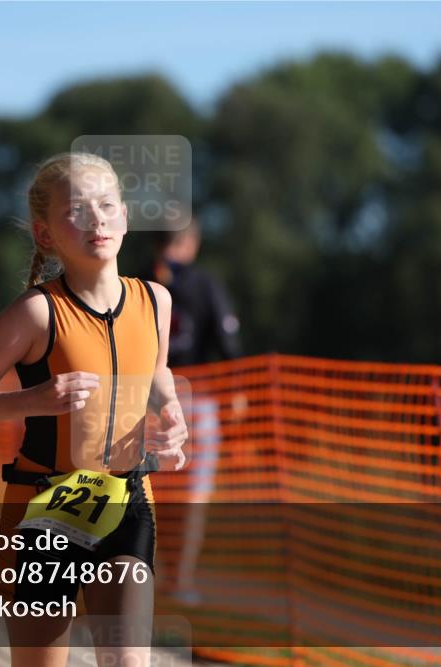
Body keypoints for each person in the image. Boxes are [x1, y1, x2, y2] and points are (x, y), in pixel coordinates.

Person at [0, 152, 188, 667]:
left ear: (124, 215)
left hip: (127, 500)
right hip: (46, 508)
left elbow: (156, 370)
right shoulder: (36, 312)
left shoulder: (156, 301)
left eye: (106, 205)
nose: (96, 219)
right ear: (46, 233)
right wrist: (33, 399)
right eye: (77, 209)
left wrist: (172, 415)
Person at [144, 216, 244, 604]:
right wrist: (238, 391)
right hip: (196, 399)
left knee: (147, 491)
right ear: (191, 242)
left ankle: (147, 571)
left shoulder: (136, 280)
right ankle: (181, 580)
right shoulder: (205, 283)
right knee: (193, 496)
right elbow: (228, 342)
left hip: (145, 399)